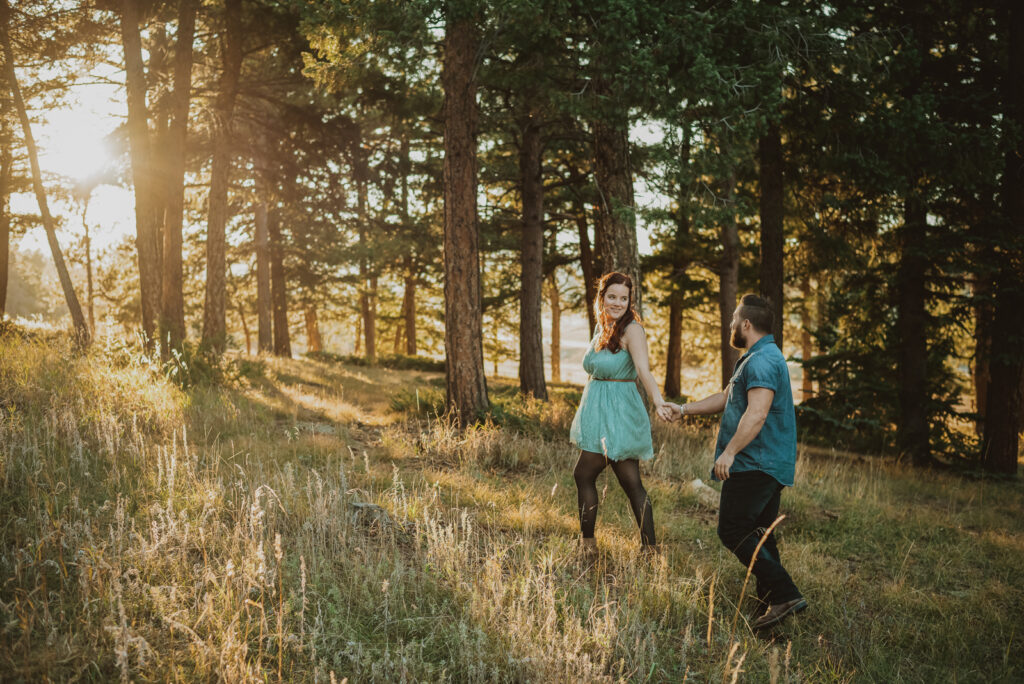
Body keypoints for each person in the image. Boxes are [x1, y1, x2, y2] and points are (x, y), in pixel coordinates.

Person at [658, 294, 807, 629]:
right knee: (760, 533)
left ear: (746, 324)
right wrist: (683, 409)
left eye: (733, 319)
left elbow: (757, 415)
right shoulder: (757, 357)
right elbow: (726, 398)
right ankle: (771, 606)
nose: (730, 325)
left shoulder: (762, 361)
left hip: (756, 462)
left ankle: (786, 593)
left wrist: (730, 452)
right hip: (766, 462)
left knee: (732, 529)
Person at [570, 272, 670, 554]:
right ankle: (649, 549)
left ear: (630, 301)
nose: (617, 303)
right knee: (630, 482)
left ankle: (588, 546)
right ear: (601, 298)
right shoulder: (602, 327)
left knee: (584, 475)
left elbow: (643, 371)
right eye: (612, 296)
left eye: (623, 298)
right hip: (598, 412)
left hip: (620, 414)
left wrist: (659, 401)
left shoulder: (632, 330)